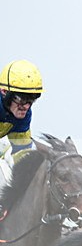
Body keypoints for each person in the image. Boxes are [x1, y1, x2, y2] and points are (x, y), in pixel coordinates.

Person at [0, 60, 43, 188]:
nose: (26, 106)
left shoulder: (24, 115)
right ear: (4, 91)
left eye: (31, 100)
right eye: (21, 98)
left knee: (9, 157)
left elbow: (21, 152)